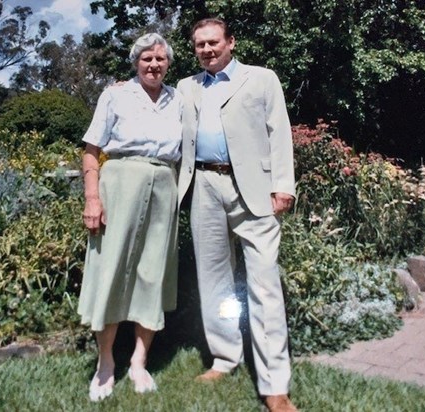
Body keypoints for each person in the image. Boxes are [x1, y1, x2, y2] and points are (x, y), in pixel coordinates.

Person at [177, 18, 298, 412]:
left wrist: (284, 185)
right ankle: (225, 358)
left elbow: (279, 132)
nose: (207, 50)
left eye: (214, 42)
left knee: (264, 286)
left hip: (255, 192)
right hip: (205, 188)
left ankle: (274, 385)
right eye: (200, 45)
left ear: (231, 42)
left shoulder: (262, 79)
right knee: (214, 281)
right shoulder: (187, 87)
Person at [77, 33, 181, 402]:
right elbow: (91, 151)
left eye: (160, 59)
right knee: (111, 269)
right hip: (120, 183)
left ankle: (138, 361)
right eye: (146, 59)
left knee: (152, 273)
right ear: (136, 63)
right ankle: (105, 363)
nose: (154, 65)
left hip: (164, 186)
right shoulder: (115, 95)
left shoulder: (178, 99)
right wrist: (92, 197)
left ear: (168, 63)